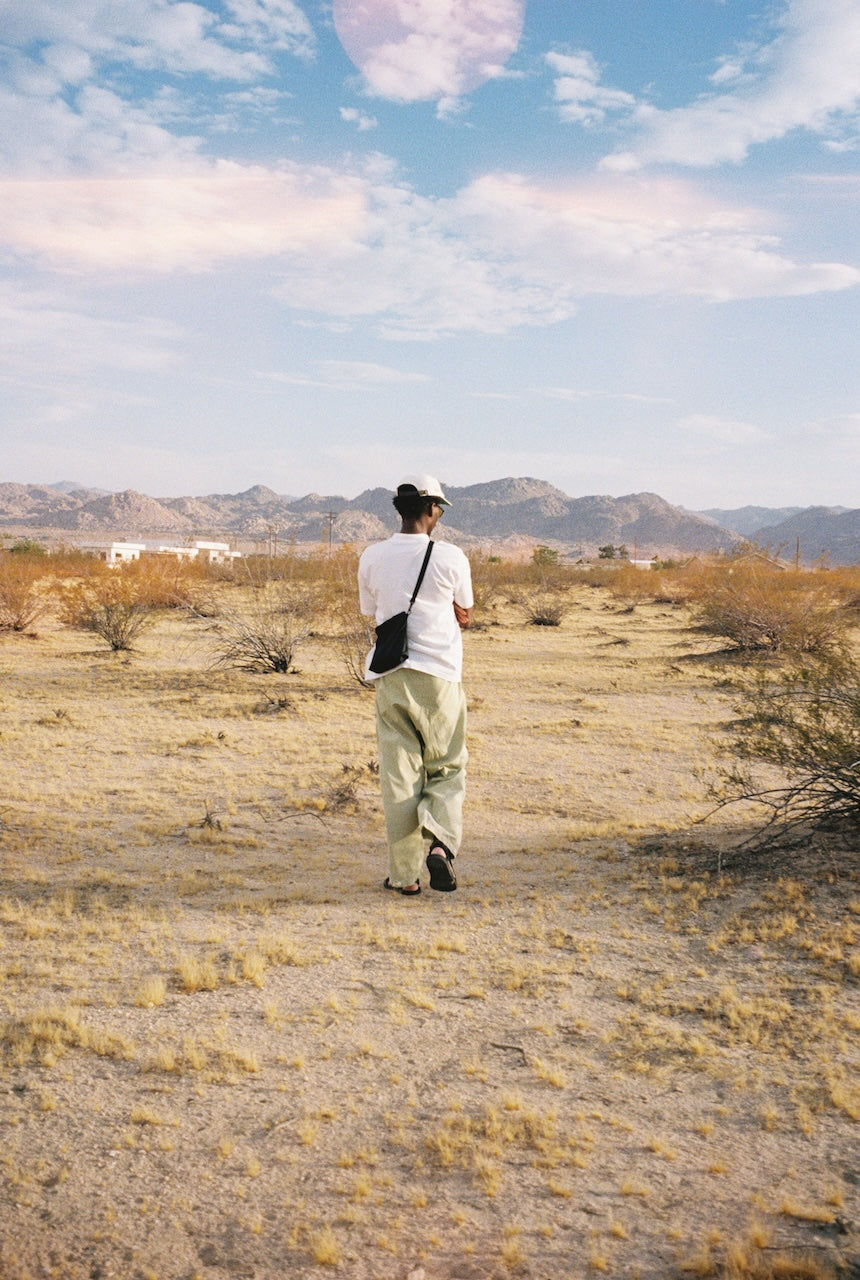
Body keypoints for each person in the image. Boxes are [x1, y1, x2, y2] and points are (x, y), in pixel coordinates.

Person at [358, 474, 474, 896]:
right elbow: (466, 612)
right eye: (439, 508)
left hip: (392, 675)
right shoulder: (451, 557)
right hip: (441, 675)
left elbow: (370, 609)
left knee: (399, 777)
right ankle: (441, 848)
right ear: (431, 510)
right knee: (446, 766)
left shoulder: (371, 555)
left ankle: (404, 877)